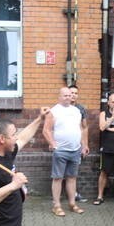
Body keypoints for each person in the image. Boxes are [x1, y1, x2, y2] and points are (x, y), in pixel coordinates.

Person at [43, 86, 88, 216]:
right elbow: (46, 130)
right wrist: (53, 144)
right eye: (65, 95)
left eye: (70, 95)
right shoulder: (53, 111)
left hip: (75, 150)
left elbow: (80, 129)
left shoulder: (76, 111)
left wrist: (83, 145)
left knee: (72, 178)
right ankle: (56, 206)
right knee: (57, 178)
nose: (68, 97)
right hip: (61, 150)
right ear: (59, 97)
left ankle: (72, 203)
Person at [69, 84, 89, 203]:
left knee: (74, 171)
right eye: (71, 93)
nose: (73, 95)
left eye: (76, 93)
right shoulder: (60, 108)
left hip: (76, 145)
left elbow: (84, 127)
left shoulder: (80, 109)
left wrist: (85, 145)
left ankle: (74, 193)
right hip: (63, 146)